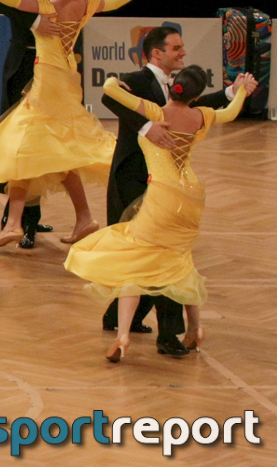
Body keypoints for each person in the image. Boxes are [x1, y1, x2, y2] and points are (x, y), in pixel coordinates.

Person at [0, 0, 157, 248]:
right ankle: (75, 219)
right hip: (67, 81)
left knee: (26, 146)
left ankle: (17, 222)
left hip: (46, 83)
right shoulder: (86, 1)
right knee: (50, 151)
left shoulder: (45, 6)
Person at [64, 68, 248, 362]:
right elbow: (232, 111)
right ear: (197, 95)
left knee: (135, 260)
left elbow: (110, 90)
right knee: (179, 259)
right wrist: (242, 89)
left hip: (162, 195)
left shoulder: (153, 110)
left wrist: (115, 81)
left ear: (173, 86)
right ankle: (195, 330)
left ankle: (123, 335)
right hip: (191, 196)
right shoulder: (202, 115)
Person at [100, 27, 256, 356]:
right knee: (165, 256)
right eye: (176, 48)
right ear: (157, 53)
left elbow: (193, 105)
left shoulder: (170, 102)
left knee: (154, 256)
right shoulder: (138, 80)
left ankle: (150, 330)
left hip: (159, 188)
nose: (183, 52)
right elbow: (107, 97)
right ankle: (145, 325)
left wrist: (231, 91)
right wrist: (146, 127)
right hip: (137, 180)